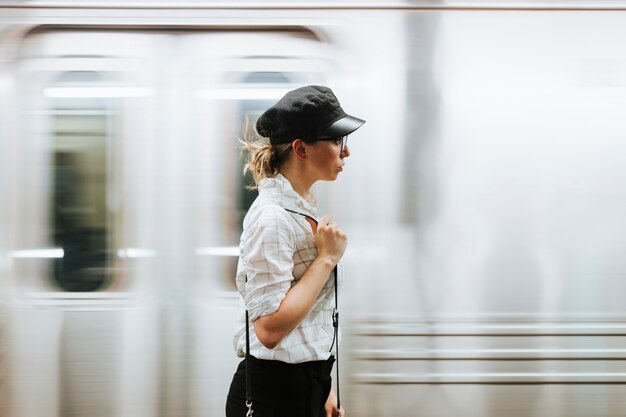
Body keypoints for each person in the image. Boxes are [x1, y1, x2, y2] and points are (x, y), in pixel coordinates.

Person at [225, 85, 365, 417]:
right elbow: (270, 329)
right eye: (336, 141)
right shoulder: (272, 218)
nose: (345, 153)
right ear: (301, 148)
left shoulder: (301, 211)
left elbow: (310, 315)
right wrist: (327, 259)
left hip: (304, 389)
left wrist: (324, 390)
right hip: (274, 398)